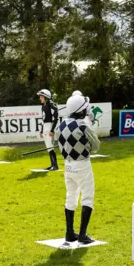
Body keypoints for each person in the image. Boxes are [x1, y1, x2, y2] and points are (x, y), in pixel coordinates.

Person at [57, 93, 101, 246]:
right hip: (82, 165)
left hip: (67, 166)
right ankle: (82, 235)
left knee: (71, 197)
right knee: (87, 197)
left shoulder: (61, 124)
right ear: (82, 110)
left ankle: (69, 233)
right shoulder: (83, 125)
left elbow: (59, 141)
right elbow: (96, 146)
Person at [38, 89, 59, 170]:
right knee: (48, 147)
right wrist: (41, 130)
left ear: (46, 97)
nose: (40, 98)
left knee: (51, 146)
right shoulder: (43, 106)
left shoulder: (51, 105)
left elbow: (56, 118)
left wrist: (52, 130)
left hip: (50, 126)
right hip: (45, 127)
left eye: (41, 97)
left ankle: (55, 165)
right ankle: (52, 164)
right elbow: (43, 119)